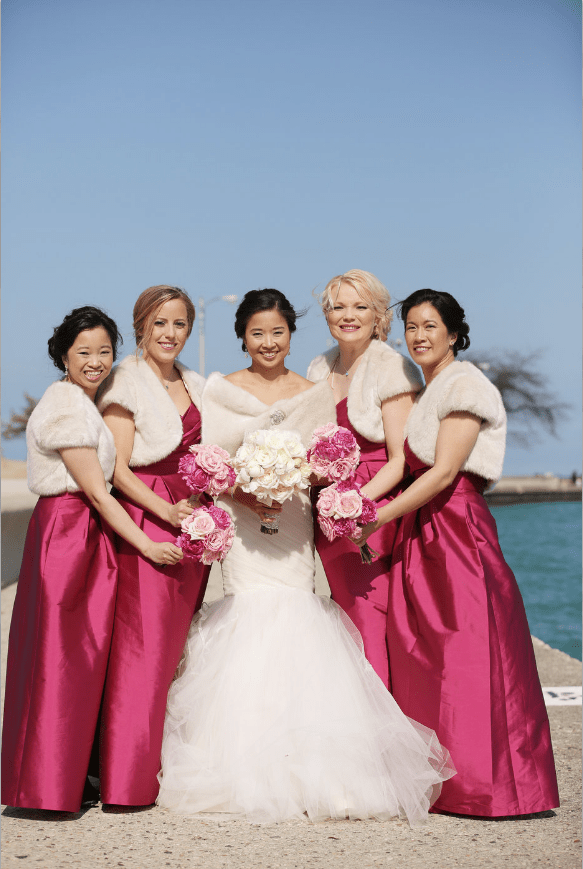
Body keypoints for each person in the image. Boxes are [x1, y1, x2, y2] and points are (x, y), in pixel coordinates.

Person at [156, 289, 455, 825]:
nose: (268, 342)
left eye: (278, 332)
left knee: (297, 612)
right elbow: (211, 462)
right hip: (243, 522)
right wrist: (245, 488)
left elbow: (325, 464)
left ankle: (313, 771)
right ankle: (245, 767)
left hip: (294, 518)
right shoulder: (220, 389)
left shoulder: (314, 392)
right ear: (242, 337)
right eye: (257, 333)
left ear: (291, 336)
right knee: (248, 613)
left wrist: (294, 476)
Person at [354, 288, 560, 817]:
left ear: (453, 333)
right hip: (424, 526)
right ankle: (447, 782)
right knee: (429, 653)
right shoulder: (431, 389)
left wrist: (376, 517)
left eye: (430, 326)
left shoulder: (466, 385)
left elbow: (445, 472)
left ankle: (491, 787)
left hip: (455, 527)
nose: (419, 336)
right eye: (411, 327)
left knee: (470, 649)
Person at [1, 307, 182, 813]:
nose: (96, 361)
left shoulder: (82, 401)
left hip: (81, 531)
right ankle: (47, 785)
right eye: (84, 352)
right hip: (67, 531)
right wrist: (148, 545)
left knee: (82, 656)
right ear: (63, 355)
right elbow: (100, 493)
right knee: (60, 655)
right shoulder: (65, 408)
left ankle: (69, 776)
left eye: (104, 351)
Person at [98, 285, 210, 808]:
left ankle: (158, 767)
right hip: (149, 515)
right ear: (141, 325)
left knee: (173, 650)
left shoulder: (195, 383)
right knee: (142, 647)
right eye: (160, 323)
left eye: (180, 324)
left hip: (194, 523)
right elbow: (117, 469)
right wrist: (165, 513)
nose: (170, 333)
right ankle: (126, 780)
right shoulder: (124, 381)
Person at [307, 270, 422, 688]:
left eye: (360, 306)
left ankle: (383, 720)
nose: (348, 315)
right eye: (338, 307)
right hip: (327, 510)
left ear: (379, 316)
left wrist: (354, 504)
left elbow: (399, 459)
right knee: (348, 617)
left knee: (370, 617)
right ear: (326, 315)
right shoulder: (319, 367)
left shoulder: (393, 369)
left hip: (375, 508)